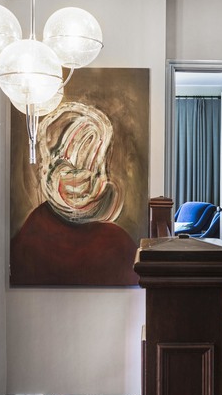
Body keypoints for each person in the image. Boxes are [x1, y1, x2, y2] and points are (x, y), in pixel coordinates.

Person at [10, 102, 139, 286]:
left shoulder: (118, 243)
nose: (80, 178)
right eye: (66, 165)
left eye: (92, 168)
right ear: (47, 170)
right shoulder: (31, 234)